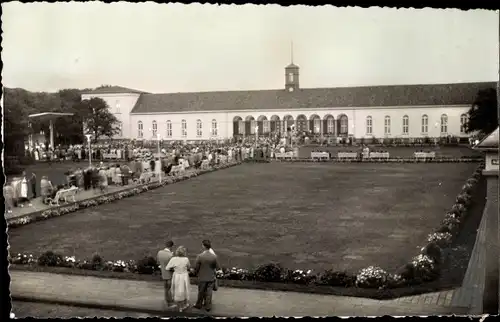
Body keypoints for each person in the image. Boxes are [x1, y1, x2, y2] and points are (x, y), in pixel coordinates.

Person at [193, 240, 220, 312]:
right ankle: (208, 306)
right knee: (209, 292)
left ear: (203, 246)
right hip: (211, 277)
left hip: (202, 277)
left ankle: (199, 305)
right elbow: (217, 267)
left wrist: (195, 273)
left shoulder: (200, 256)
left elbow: (196, 268)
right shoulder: (214, 256)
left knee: (201, 292)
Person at [165, 246, 191, 312]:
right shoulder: (186, 259)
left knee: (177, 290)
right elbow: (189, 267)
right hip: (184, 276)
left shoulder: (173, 259)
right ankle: (183, 305)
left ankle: (180, 305)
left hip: (176, 276)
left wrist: (174, 268)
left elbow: (167, 268)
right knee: (184, 289)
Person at [157, 240, 176, 309]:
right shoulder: (171, 255)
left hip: (163, 273)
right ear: (171, 247)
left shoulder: (159, 252)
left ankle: (166, 301)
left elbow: (158, 262)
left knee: (165, 289)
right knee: (169, 289)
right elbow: (172, 267)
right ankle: (170, 303)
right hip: (169, 274)